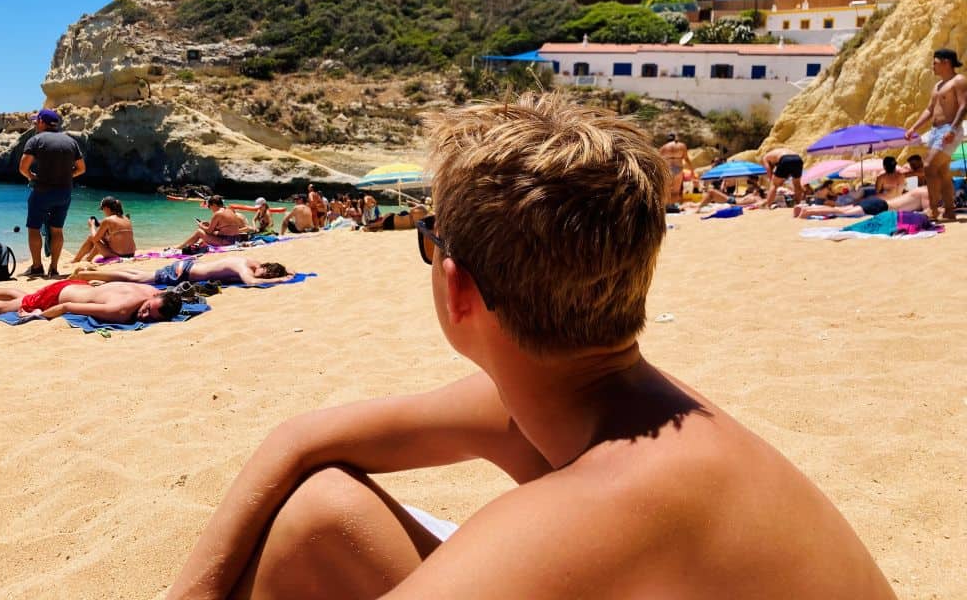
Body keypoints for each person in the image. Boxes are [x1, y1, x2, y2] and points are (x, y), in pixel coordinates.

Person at [167, 93, 895, 600]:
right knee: (319, 516)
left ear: (457, 289)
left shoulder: (610, 505)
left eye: (430, 239)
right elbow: (301, 441)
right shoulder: (614, 410)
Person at [18, 108, 86, 277]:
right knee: (57, 230)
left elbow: (23, 168)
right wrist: (66, 176)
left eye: (36, 121)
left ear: (42, 122)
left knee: (33, 228)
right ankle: (54, 268)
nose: (35, 124)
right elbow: (81, 168)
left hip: (42, 191)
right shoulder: (71, 142)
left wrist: (32, 177)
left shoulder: (35, 140)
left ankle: (37, 267)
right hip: (64, 192)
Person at [905, 48, 967, 221]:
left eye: (935, 62)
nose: (932, 66)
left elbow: (963, 106)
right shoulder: (937, 86)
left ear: (946, 62)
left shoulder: (959, 80)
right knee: (942, 172)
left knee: (929, 166)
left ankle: (933, 210)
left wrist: (952, 129)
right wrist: (914, 128)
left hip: (949, 129)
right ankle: (949, 210)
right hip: (935, 131)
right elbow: (930, 109)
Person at [0, 279, 181, 323]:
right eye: (149, 310)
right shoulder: (120, 311)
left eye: (152, 317)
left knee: (25, 297)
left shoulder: (150, 291)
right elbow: (67, 307)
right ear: (155, 297)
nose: (145, 315)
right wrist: (37, 315)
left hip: (77, 286)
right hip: (60, 296)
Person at [73, 255, 291, 286]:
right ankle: (86, 275)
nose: (264, 277)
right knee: (142, 279)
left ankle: (92, 274)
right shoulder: (243, 266)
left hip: (187, 267)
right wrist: (281, 281)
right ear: (264, 268)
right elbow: (251, 282)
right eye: (267, 274)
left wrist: (285, 273)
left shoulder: (249, 260)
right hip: (184, 272)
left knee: (140, 275)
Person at [794, 186, 931, 218]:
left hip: (878, 202)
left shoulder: (919, 190)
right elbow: (928, 212)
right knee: (842, 212)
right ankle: (808, 211)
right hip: (880, 207)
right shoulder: (926, 192)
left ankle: (807, 208)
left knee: (844, 210)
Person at [71, 197, 135, 262]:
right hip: (131, 254)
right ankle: (89, 258)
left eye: (102, 209)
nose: (103, 212)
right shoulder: (126, 219)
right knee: (103, 238)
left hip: (117, 256)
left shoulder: (108, 220)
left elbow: (95, 238)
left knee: (91, 237)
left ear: (106, 208)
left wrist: (92, 225)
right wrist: (99, 224)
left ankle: (76, 260)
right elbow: (114, 224)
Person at [177, 195, 250, 249]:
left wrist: (201, 225)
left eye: (209, 206)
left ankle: (180, 247)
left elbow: (209, 231)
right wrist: (209, 224)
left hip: (227, 242)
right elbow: (226, 226)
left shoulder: (218, 213)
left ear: (214, 205)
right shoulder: (230, 210)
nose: (210, 208)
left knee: (199, 232)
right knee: (213, 232)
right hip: (236, 239)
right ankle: (184, 246)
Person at [658, 132, 694, 204]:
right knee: (676, 191)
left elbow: (659, 160)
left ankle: (667, 206)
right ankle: (673, 205)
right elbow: (686, 159)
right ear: (675, 138)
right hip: (678, 168)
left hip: (668, 169)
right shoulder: (681, 146)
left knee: (667, 190)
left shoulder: (663, 148)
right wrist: (692, 170)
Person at [697, 176, 765, 210]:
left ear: (758, 192)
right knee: (711, 194)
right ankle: (699, 206)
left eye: (756, 190)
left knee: (711, 191)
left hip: (732, 201)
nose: (754, 190)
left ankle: (698, 208)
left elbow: (761, 203)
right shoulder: (751, 194)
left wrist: (737, 206)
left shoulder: (757, 198)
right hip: (732, 199)